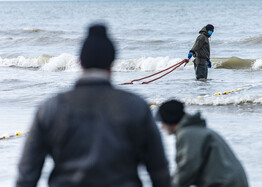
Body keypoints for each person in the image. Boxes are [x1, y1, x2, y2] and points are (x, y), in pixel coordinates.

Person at [16, 23, 171, 187]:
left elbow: (27, 174)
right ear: (111, 64)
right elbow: (159, 171)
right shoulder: (136, 107)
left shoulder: (51, 108)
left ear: (80, 63)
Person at [157, 99, 249, 187]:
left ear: (169, 120)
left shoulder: (187, 134)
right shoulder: (196, 129)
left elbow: (187, 169)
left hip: (226, 184)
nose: (161, 126)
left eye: (162, 121)